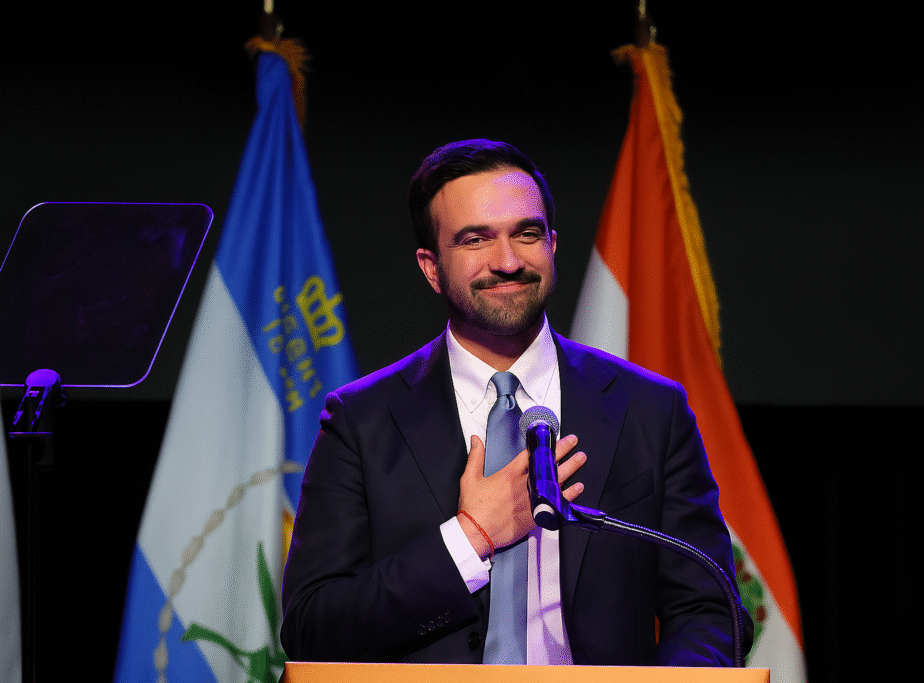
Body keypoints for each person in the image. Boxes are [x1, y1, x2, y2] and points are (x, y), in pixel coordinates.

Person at [280, 139, 752, 666]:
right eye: (475, 240)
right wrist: (470, 536)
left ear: (551, 244)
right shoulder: (361, 420)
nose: (507, 261)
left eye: (526, 234)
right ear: (431, 267)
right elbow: (311, 629)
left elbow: (710, 611)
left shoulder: (649, 411)